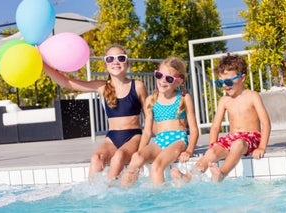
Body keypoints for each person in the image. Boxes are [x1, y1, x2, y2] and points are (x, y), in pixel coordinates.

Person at [43, 44, 148, 181]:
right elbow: (67, 83)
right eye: (110, 59)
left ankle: (109, 192)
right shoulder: (102, 87)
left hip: (133, 137)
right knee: (96, 158)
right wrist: (42, 65)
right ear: (105, 65)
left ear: (127, 63)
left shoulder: (137, 86)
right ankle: (94, 196)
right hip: (112, 138)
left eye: (121, 58)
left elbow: (149, 117)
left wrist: (148, 145)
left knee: (119, 156)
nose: (115, 62)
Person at [171, 53, 271, 184]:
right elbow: (215, 127)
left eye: (229, 81)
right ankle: (188, 177)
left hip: (251, 138)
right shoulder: (224, 100)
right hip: (232, 137)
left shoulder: (252, 96)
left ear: (242, 78)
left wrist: (262, 147)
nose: (225, 86)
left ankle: (222, 173)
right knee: (211, 153)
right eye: (220, 83)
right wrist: (213, 146)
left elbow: (266, 123)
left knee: (238, 144)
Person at [120, 57, 199, 187]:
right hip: (159, 141)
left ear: (178, 81)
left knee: (156, 166)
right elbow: (147, 131)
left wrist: (189, 150)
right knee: (137, 158)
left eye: (168, 78)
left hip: (178, 140)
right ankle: (124, 193)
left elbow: (194, 129)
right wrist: (139, 151)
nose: (162, 80)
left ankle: (161, 201)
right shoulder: (151, 100)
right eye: (159, 75)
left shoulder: (184, 98)